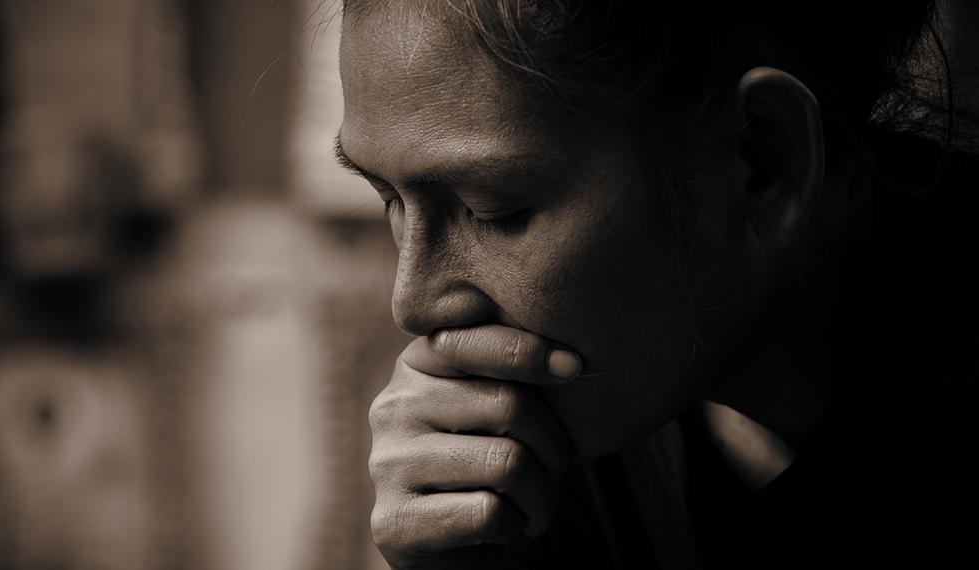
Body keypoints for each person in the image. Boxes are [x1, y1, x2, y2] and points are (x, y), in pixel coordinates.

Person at [333, 1, 978, 568]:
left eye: (493, 210)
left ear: (764, 162)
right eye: (388, 197)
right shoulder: (547, 440)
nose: (412, 302)